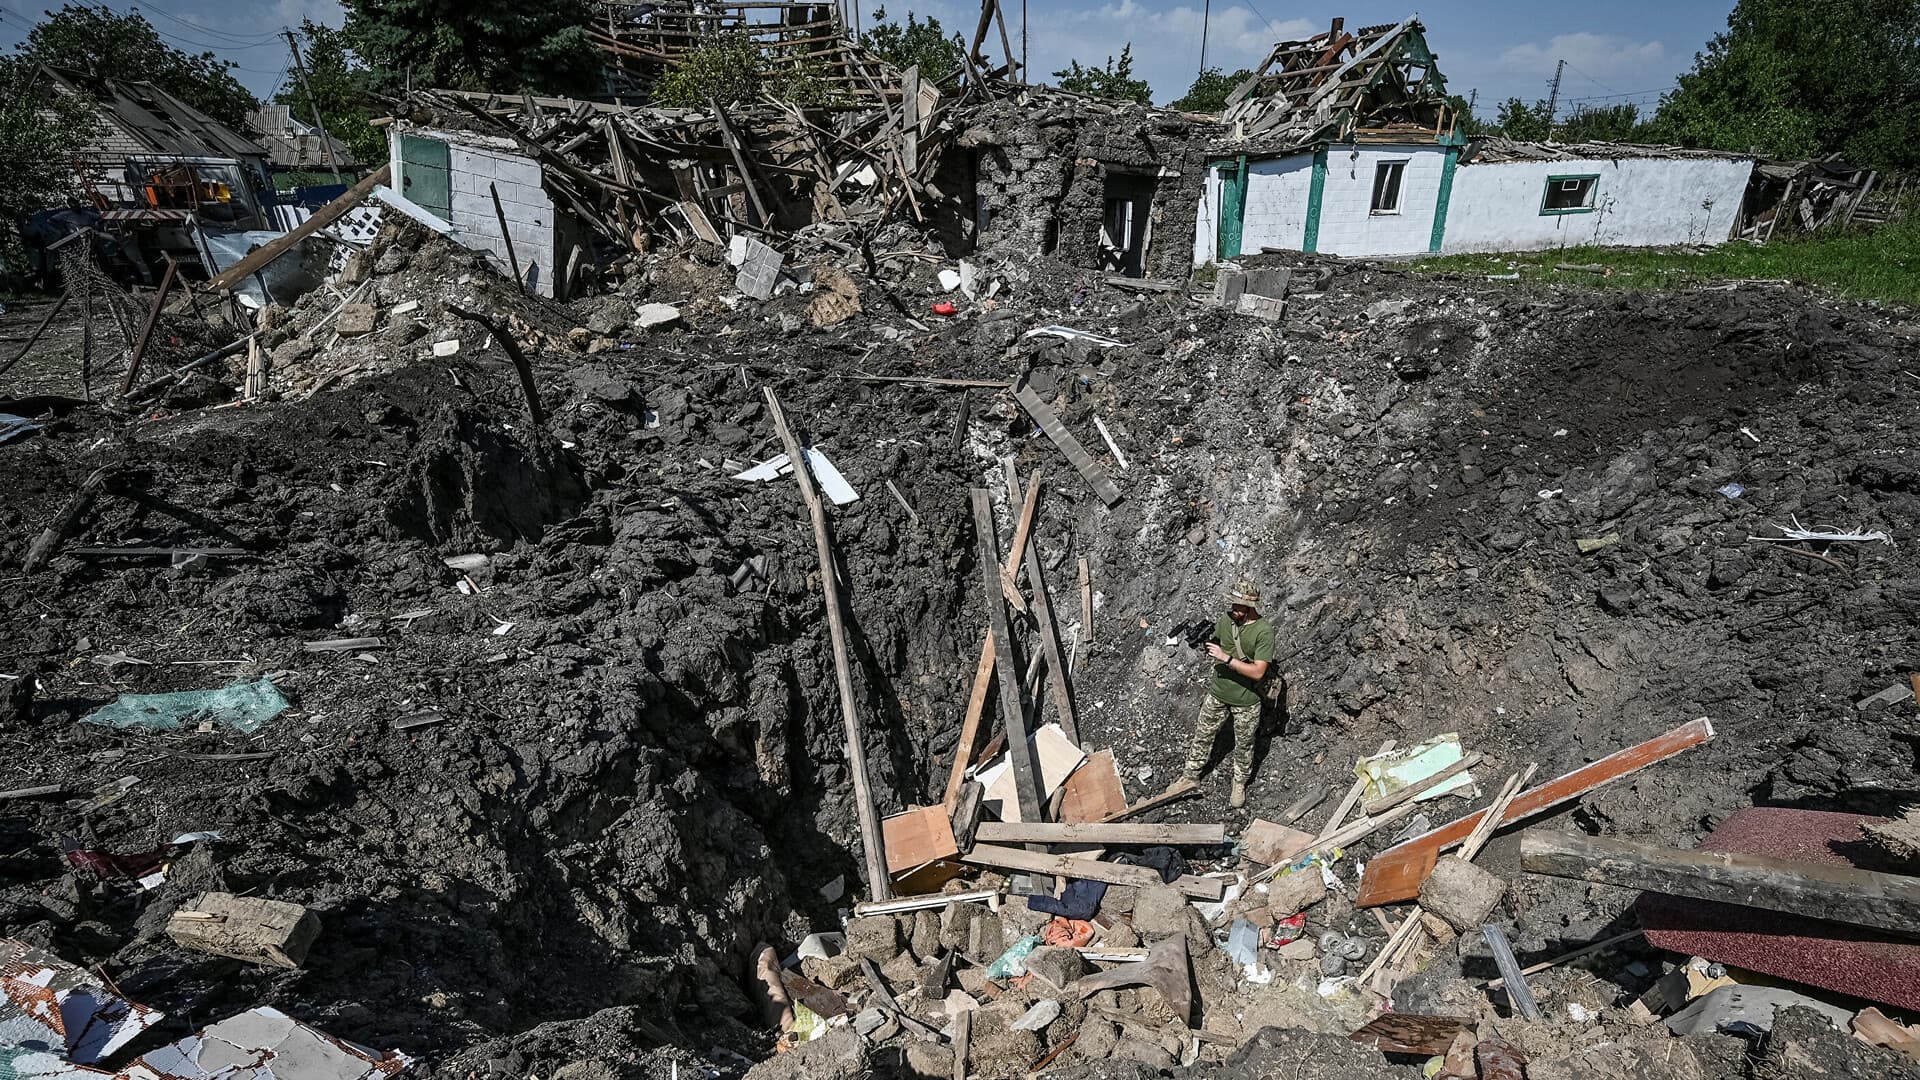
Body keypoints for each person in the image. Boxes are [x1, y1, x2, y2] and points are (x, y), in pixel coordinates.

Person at [1178, 579, 1274, 808]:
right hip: (1218, 692)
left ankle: (1239, 782)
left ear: (1250, 606)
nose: (1234, 609)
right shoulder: (1226, 620)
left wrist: (1225, 658)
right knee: (1203, 734)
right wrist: (1206, 644)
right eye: (1233, 604)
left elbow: (1259, 672)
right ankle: (1189, 776)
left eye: (1238, 606)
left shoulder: (1264, 632)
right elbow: (1217, 643)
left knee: (1244, 744)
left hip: (1246, 700)